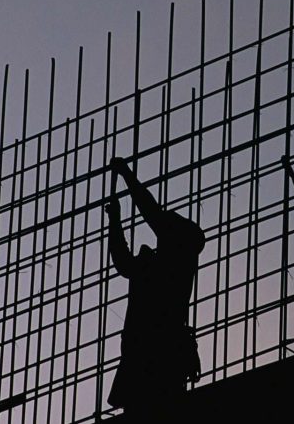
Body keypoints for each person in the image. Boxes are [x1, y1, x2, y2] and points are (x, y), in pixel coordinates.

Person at [104, 156, 206, 416]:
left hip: (157, 354)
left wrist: (126, 176)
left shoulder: (176, 266)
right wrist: (115, 220)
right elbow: (125, 263)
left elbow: (151, 212)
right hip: (145, 354)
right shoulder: (158, 265)